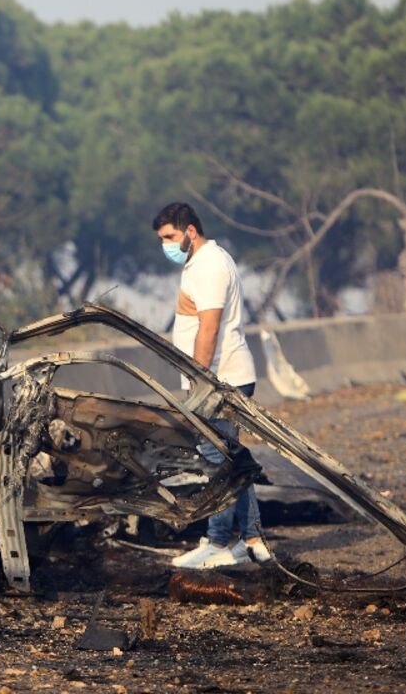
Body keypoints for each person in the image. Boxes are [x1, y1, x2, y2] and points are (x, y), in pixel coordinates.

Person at [151, 202, 271, 569]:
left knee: (217, 463)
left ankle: (219, 542)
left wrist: (201, 380)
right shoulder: (205, 262)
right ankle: (252, 541)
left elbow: (209, 327)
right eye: (160, 239)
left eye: (169, 237)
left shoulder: (208, 266)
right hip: (221, 377)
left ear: (190, 231)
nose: (165, 245)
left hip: (219, 380)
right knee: (230, 462)